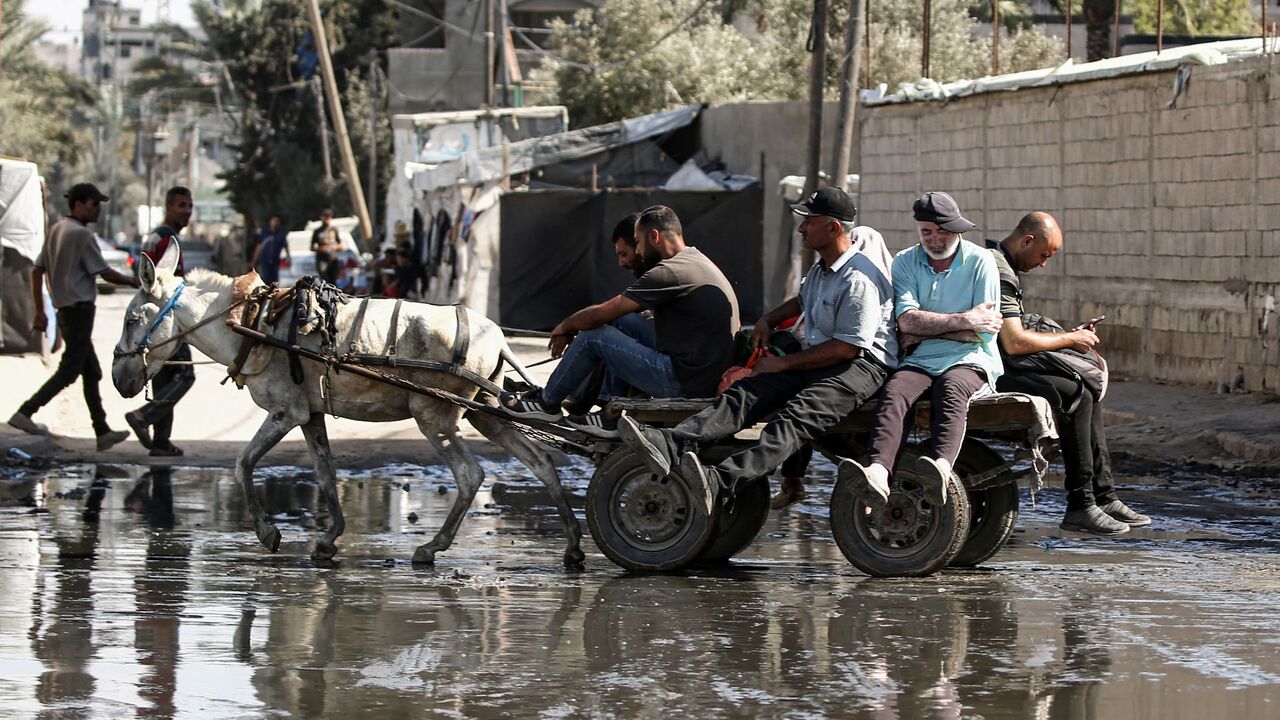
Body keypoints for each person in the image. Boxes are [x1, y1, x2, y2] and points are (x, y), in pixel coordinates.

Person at [618, 187, 898, 517]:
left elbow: (848, 347)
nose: (801, 228)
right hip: (824, 355)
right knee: (746, 393)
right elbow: (802, 300)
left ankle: (720, 483)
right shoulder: (823, 269)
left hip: (858, 365)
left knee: (792, 420)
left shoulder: (859, 278)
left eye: (809, 221)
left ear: (833, 228)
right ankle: (672, 441)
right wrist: (768, 319)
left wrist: (782, 364)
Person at [988, 212, 1150, 535]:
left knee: (1086, 385)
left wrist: (1067, 339)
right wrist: (1070, 339)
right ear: (1027, 241)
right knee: (1074, 391)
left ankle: (1104, 494)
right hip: (990, 366)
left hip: (1002, 359)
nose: (1044, 263)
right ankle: (1081, 504)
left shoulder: (1001, 264)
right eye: (1044, 255)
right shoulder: (999, 271)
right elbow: (1015, 342)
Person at [839, 192, 1004, 507]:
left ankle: (941, 469)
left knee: (952, 388)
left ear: (956, 230)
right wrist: (962, 319)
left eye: (942, 231)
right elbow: (906, 322)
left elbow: (981, 333)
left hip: (971, 359)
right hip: (920, 359)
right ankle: (877, 473)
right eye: (927, 232)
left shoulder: (982, 261)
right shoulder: (905, 261)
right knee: (895, 393)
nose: (935, 239)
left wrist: (928, 328)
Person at [505, 205, 740, 423]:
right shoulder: (693, 259)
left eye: (637, 242)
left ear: (654, 237)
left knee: (593, 336)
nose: (638, 250)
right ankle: (609, 411)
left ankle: (546, 403)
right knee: (621, 321)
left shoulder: (669, 272)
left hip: (684, 381)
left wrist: (565, 326)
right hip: (700, 372)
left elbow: (606, 311)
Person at [8, 183, 138, 450]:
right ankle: (25, 412)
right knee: (70, 370)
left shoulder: (56, 229)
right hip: (79, 310)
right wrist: (137, 282)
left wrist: (40, 310)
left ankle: (102, 431)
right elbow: (106, 273)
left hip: (65, 309)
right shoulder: (81, 235)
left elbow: (37, 270)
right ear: (78, 203)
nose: (98, 210)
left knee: (91, 371)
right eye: (94, 204)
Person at [125, 186, 197, 457]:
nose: (187, 211)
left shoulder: (156, 236)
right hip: (165, 318)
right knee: (184, 374)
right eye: (182, 205)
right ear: (168, 207)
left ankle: (160, 441)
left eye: (190, 206)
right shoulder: (168, 239)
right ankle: (144, 416)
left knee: (165, 377)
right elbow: (168, 285)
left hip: (153, 318)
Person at [251, 214, 290, 285]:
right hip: (265, 261)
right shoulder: (264, 233)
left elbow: (285, 247)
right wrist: (254, 260)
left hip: (275, 262)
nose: (275, 222)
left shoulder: (281, 234)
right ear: (270, 222)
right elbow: (259, 247)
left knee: (274, 281)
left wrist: (288, 258)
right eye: (274, 221)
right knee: (265, 279)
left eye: (277, 221)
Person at [311, 208, 341, 284]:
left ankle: (334, 296)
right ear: (321, 217)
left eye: (328, 217)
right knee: (325, 280)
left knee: (333, 281)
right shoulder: (317, 231)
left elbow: (340, 244)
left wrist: (334, 247)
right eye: (325, 217)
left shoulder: (334, 230)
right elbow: (312, 247)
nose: (327, 219)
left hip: (333, 259)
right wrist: (320, 248)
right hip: (322, 260)